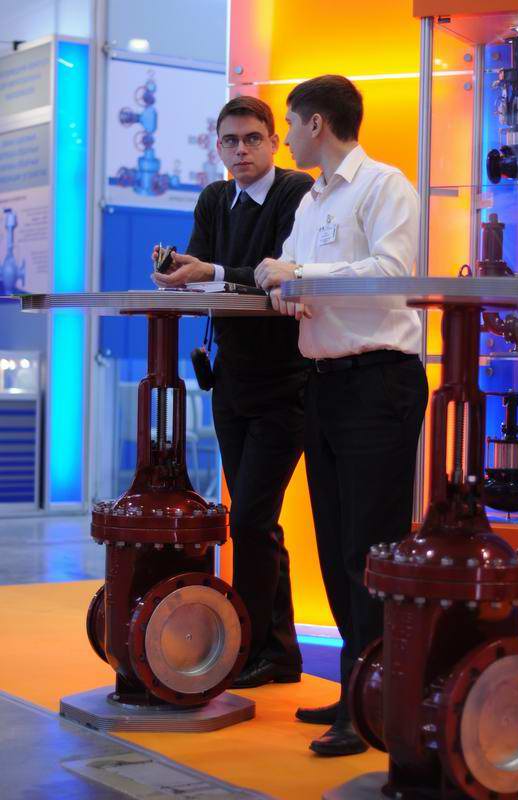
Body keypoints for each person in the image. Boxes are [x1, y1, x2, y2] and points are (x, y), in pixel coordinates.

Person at [255, 75, 429, 755]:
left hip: (379, 381)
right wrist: (279, 282)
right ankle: (357, 685)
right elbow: (297, 274)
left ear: (317, 124)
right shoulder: (311, 199)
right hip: (324, 381)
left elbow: (391, 271)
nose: (285, 138)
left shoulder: (386, 185)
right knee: (334, 545)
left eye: (288, 124)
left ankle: (378, 701)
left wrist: (298, 277)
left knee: (370, 545)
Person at [151, 97, 313, 688]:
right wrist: (177, 272)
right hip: (232, 379)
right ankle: (278, 651)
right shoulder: (216, 198)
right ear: (217, 146)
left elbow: (279, 274)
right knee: (253, 521)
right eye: (229, 141)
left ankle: (248, 648)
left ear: (274, 142)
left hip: (287, 381)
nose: (240, 151)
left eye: (251, 139)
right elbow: (202, 270)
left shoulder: (297, 193)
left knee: (250, 517)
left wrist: (211, 272)